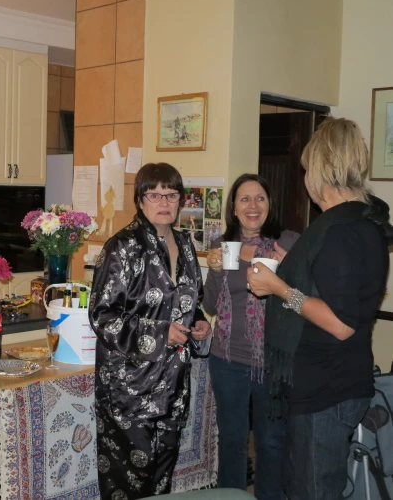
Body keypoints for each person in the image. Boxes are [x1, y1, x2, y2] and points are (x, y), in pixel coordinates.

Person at [247, 117, 393, 500]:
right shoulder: (360, 222)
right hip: (332, 382)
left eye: (309, 166)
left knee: (312, 490)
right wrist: (294, 269)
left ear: (322, 169)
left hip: (327, 389)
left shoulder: (342, 231)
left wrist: (279, 287)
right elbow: (338, 288)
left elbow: (342, 323)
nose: (306, 175)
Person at [89, 162, 212, 498]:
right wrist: (161, 334)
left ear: (181, 200)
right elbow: (101, 315)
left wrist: (198, 320)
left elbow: (186, 299)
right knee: (128, 485)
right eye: (154, 194)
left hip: (173, 388)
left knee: (161, 482)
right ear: (140, 200)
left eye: (171, 194)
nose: (164, 202)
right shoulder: (123, 246)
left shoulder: (185, 244)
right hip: (130, 391)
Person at [204, 174, 299, 499]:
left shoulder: (287, 242)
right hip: (226, 361)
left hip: (271, 361)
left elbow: (303, 298)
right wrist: (215, 272)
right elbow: (209, 306)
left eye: (260, 198)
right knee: (231, 440)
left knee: (272, 441)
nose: (253, 205)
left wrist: (291, 270)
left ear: (269, 204)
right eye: (244, 199)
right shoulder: (223, 246)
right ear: (233, 207)